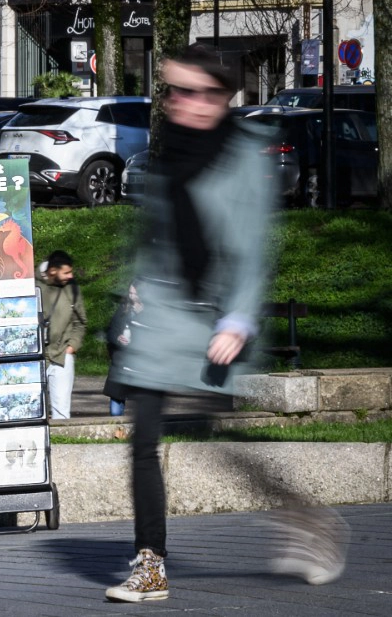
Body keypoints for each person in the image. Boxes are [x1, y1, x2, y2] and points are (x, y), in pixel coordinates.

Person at [104, 44, 346, 602]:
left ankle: (309, 518)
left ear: (225, 96)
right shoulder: (167, 149)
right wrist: (133, 291)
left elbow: (252, 247)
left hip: (211, 317)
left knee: (214, 434)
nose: (185, 103)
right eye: (174, 91)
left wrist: (238, 319)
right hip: (160, 312)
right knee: (144, 434)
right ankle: (150, 565)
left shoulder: (243, 156)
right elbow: (155, 232)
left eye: (201, 93)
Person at [36, 250, 86, 420]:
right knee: (33, 408)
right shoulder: (31, 285)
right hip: (35, 357)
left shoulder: (72, 289)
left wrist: (72, 346)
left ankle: (62, 443)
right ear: (52, 271)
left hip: (62, 355)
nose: (70, 276)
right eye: (66, 272)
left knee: (62, 412)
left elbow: (80, 322)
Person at [102, 282, 143, 416]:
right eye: (130, 293)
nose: (132, 297)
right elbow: (111, 331)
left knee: (141, 400)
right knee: (116, 398)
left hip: (139, 361)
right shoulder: (123, 308)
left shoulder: (148, 312)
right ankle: (114, 426)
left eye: (135, 294)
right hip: (120, 359)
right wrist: (118, 338)